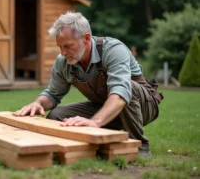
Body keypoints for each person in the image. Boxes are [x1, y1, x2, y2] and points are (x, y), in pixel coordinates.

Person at [13, 11, 163, 156]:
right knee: (56, 115)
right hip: (106, 108)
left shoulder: (113, 50)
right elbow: (52, 94)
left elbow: (121, 92)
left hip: (144, 107)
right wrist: (38, 103)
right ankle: (87, 147)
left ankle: (139, 147)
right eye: (60, 46)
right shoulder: (62, 62)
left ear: (86, 38)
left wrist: (95, 121)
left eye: (68, 46)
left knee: (127, 87)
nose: (63, 52)